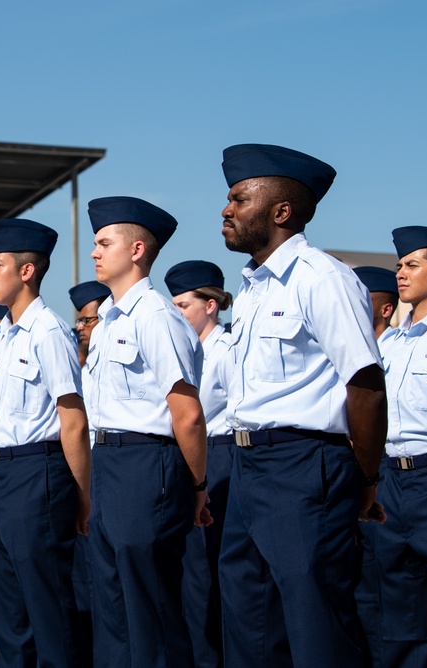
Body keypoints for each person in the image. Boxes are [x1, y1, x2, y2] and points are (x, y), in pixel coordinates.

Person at [217, 143, 386, 667]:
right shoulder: (249, 289)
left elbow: (365, 383)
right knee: (250, 618)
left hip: (303, 466)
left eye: (239, 199)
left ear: (280, 212)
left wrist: (364, 477)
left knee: (316, 623)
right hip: (248, 462)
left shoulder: (322, 278)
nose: (225, 210)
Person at [84, 198, 208, 667]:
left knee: (150, 609)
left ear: (137, 250)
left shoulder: (156, 315)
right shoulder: (109, 321)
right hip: (110, 463)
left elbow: (187, 413)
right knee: (114, 609)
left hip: (147, 465)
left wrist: (196, 486)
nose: (95, 252)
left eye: (104, 242)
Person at [0, 218, 91, 667]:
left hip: (38, 474)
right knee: (8, 615)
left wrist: (83, 495)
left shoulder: (49, 332)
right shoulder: (4, 335)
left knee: (48, 610)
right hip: (4, 473)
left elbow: (73, 420)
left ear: (26, 272)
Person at [375, 227, 427, 665]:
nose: (400, 273)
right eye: (400, 265)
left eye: (412, 265)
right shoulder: (390, 342)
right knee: (402, 615)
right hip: (392, 483)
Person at [164, 259, 235, 668]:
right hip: (187, 457)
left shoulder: (225, 351)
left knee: (212, 571)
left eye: (184, 305)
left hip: (220, 457)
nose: (177, 315)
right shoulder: (184, 351)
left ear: (211, 305)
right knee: (190, 574)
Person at [351, 265, 402, 667]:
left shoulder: (398, 346)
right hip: (355, 470)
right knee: (363, 585)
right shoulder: (342, 348)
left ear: (384, 309)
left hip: (405, 472)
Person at [67, 279, 111, 668]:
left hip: (115, 468)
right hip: (86, 470)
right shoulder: (81, 366)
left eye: (88, 319)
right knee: (85, 575)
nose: (81, 327)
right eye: (78, 322)